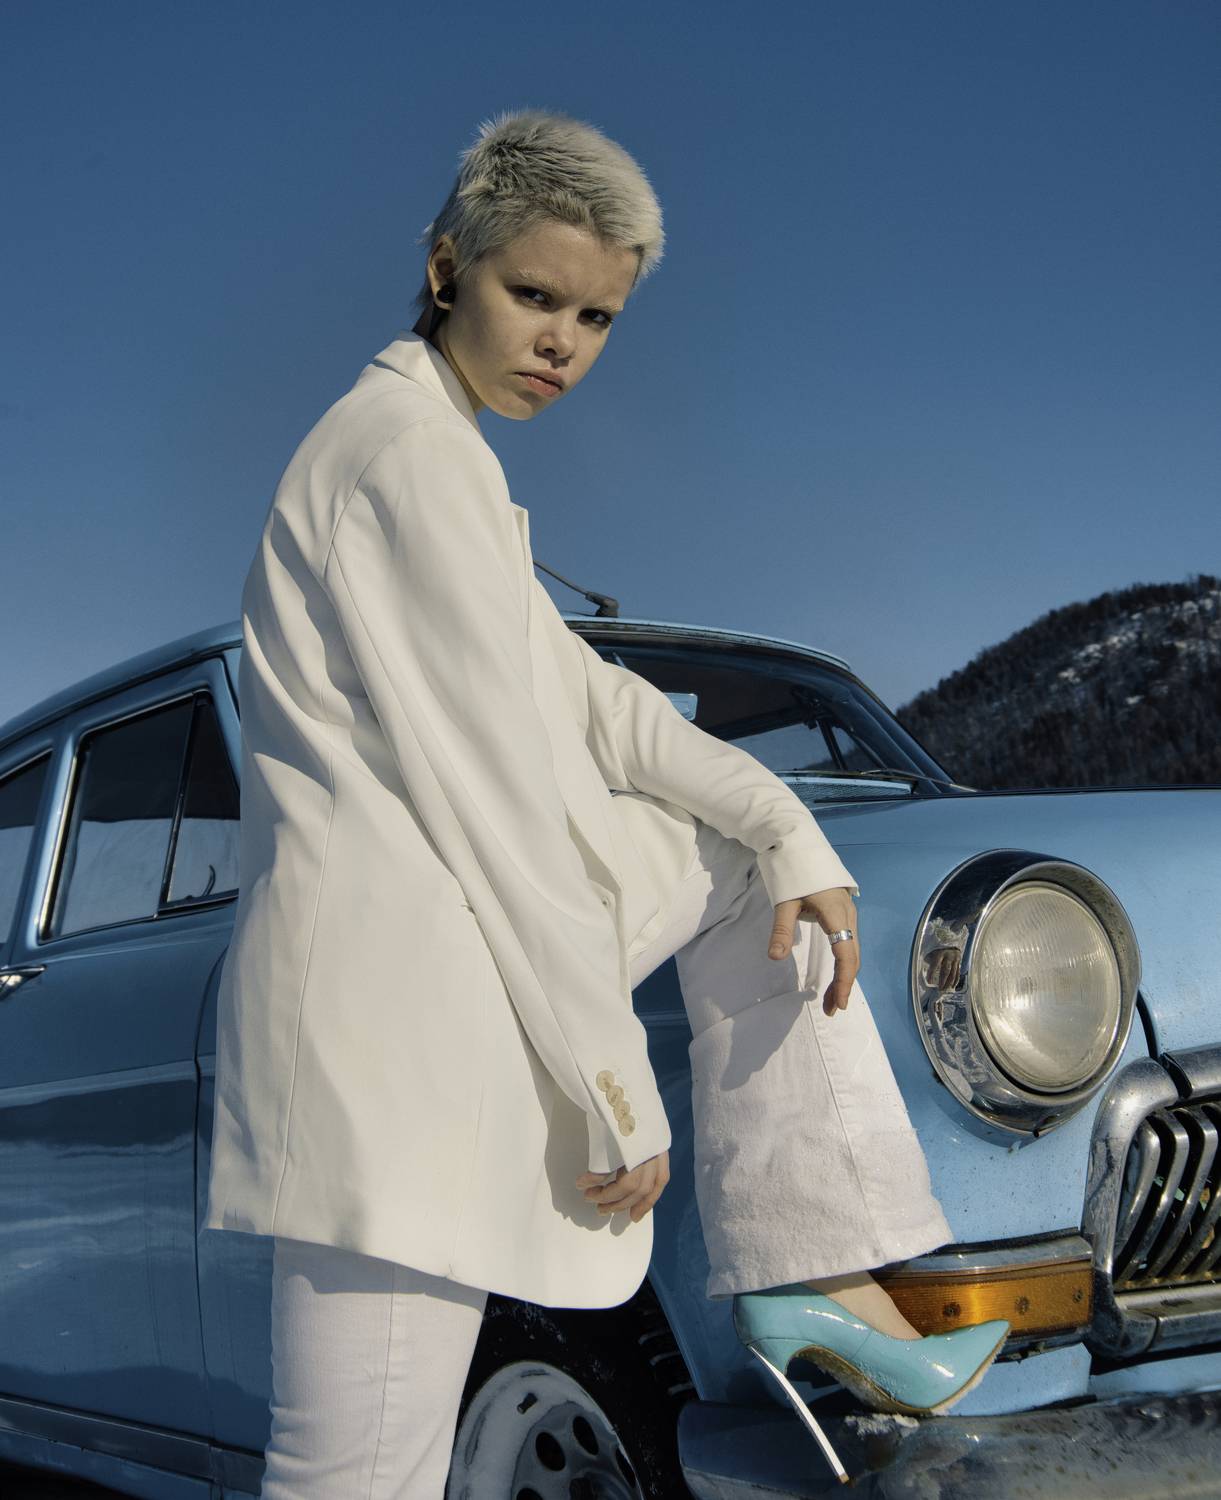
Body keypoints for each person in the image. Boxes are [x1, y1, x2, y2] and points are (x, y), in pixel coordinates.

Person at [202, 109, 1009, 1498]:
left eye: (595, 318)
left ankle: (811, 1267)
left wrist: (788, 824)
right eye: (533, 295)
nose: (561, 344)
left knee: (756, 864)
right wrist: (611, 1084)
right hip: (388, 1030)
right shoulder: (404, 458)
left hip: (418, 1011)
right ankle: (808, 1267)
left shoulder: (439, 457)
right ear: (446, 265)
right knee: (351, 1477)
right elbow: (502, 798)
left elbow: (600, 704)